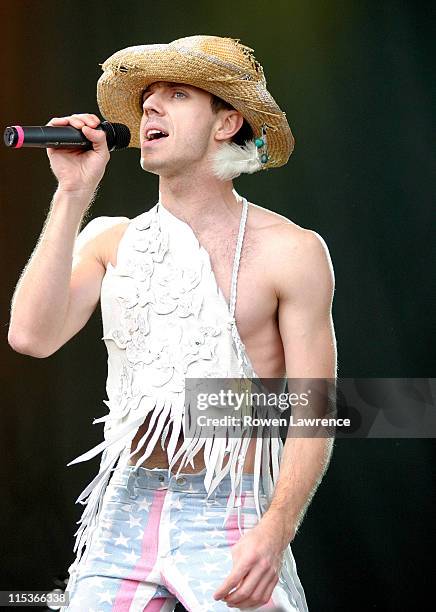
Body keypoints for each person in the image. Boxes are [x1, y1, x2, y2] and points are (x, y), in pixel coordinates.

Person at [8, 35, 337, 611]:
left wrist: (277, 527)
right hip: (124, 510)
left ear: (226, 122)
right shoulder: (112, 239)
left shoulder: (291, 251)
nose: (150, 107)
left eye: (176, 93)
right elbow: (31, 337)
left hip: (228, 509)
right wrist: (71, 194)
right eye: (147, 97)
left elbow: (315, 408)